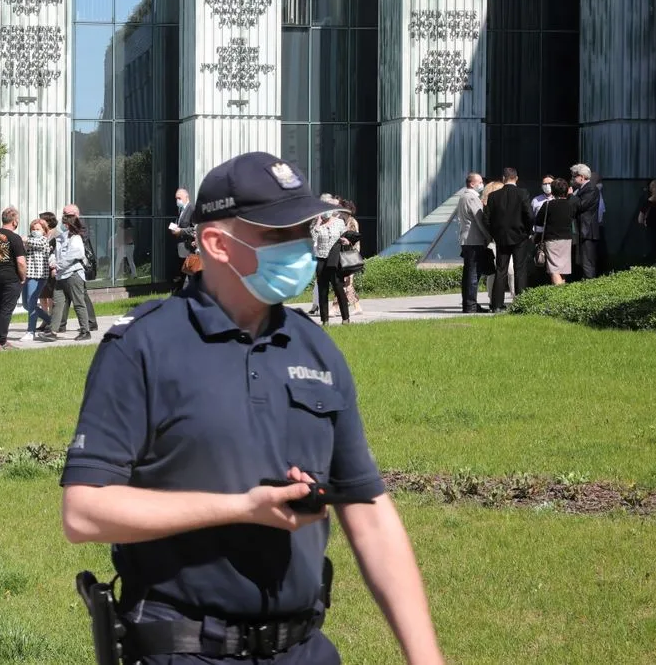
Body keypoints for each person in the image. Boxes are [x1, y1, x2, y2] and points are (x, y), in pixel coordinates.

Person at [60, 151, 442, 665]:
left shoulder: (316, 348)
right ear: (217, 244)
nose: (302, 247)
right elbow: (84, 512)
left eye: (305, 229)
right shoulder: (142, 347)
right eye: (279, 234)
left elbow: (368, 511)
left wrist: (426, 657)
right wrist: (240, 508)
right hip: (185, 651)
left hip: (305, 650)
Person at [483, 167, 534, 311]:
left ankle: (497, 305)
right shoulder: (522, 193)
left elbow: (486, 219)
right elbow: (529, 215)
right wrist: (527, 231)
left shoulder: (493, 196)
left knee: (501, 270)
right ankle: (520, 304)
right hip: (520, 237)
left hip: (501, 238)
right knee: (520, 269)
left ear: (503, 178)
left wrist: (494, 233)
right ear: (516, 178)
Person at [0, 206, 26, 351]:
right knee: (6, 310)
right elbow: (21, 262)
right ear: (14, 221)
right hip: (11, 277)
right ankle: (1, 342)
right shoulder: (15, 238)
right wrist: (23, 277)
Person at [46, 214, 92, 342]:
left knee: (78, 303)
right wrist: (53, 262)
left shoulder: (76, 238)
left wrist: (58, 265)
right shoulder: (61, 237)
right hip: (61, 275)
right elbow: (54, 253)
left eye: (64, 222)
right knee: (57, 303)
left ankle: (85, 331)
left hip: (73, 274)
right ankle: (53, 331)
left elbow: (75, 255)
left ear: (68, 225)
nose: (62, 225)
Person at [453, 174, 492, 313]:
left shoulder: (463, 196)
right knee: (473, 274)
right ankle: (471, 305)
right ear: (472, 184)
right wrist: (488, 236)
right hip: (474, 240)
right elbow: (479, 219)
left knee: (469, 273)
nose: (482, 184)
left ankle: (469, 304)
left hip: (468, 239)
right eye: (480, 182)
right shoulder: (471, 197)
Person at [59, 203, 100, 333]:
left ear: (75, 214)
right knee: (68, 295)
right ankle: (61, 323)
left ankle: (89, 323)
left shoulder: (79, 227)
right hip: (70, 267)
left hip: (77, 266)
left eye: (67, 214)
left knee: (78, 295)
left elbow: (78, 247)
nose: (64, 216)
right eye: (64, 214)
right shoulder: (70, 228)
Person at [310, 200, 352, 325]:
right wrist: (318, 223)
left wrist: (345, 240)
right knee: (323, 290)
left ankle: (346, 318)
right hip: (321, 260)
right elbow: (312, 239)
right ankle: (325, 320)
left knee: (338, 288)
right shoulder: (316, 224)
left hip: (335, 260)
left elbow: (345, 236)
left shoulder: (339, 222)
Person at [535, 179, 574, 285]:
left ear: (552, 190)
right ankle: (563, 294)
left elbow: (538, 221)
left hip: (552, 239)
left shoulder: (548, 205)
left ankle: (558, 296)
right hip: (567, 239)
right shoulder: (571, 205)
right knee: (563, 270)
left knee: (554, 269)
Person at [568, 164, 602, 279]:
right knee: (582, 262)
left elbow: (581, 205)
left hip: (587, 232)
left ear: (581, 177)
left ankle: (590, 289)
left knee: (588, 264)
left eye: (574, 176)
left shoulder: (591, 189)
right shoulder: (581, 190)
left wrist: (571, 196)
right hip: (581, 231)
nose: (573, 179)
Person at [22, 218, 52, 342]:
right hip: (27, 275)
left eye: (38, 229)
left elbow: (37, 244)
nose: (35, 231)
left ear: (44, 230)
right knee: (26, 304)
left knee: (31, 302)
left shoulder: (44, 240)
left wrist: (26, 240)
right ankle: (52, 321)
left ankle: (31, 331)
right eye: (33, 229)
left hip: (39, 275)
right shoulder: (28, 240)